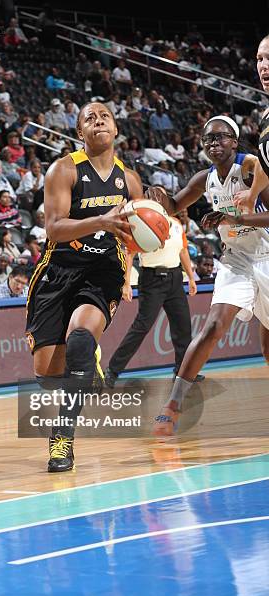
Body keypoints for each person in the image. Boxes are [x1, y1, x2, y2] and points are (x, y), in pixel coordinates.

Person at [26, 101, 142, 472]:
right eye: (89, 118)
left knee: (79, 338)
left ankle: (62, 439)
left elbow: (135, 235)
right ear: (80, 133)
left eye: (104, 116)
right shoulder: (64, 169)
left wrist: (128, 271)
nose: (98, 121)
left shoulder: (130, 180)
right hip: (58, 271)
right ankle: (84, 362)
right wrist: (101, 222)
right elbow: (54, 228)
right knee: (47, 376)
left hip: (102, 270)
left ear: (116, 129)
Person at [147, 115, 269, 436]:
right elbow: (173, 206)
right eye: (208, 140)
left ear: (235, 141)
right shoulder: (205, 179)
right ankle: (172, 405)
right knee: (213, 325)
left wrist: (232, 216)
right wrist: (158, 197)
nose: (214, 144)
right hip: (236, 260)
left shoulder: (253, 169)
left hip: (267, 257)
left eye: (221, 138)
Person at [105, 214, 199, 388]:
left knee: (183, 326)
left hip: (175, 277)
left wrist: (191, 278)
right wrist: (126, 283)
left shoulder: (176, 223)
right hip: (152, 278)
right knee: (141, 326)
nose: (158, 199)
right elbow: (129, 254)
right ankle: (112, 371)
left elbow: (183, 250)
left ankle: (182, 372)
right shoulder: (142, 222)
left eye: (161, 196)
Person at [233, 35, 269, 211]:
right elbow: (266, 162)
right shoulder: (267, 114)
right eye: (260, 59)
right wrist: (252, 194)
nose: (263, 66)